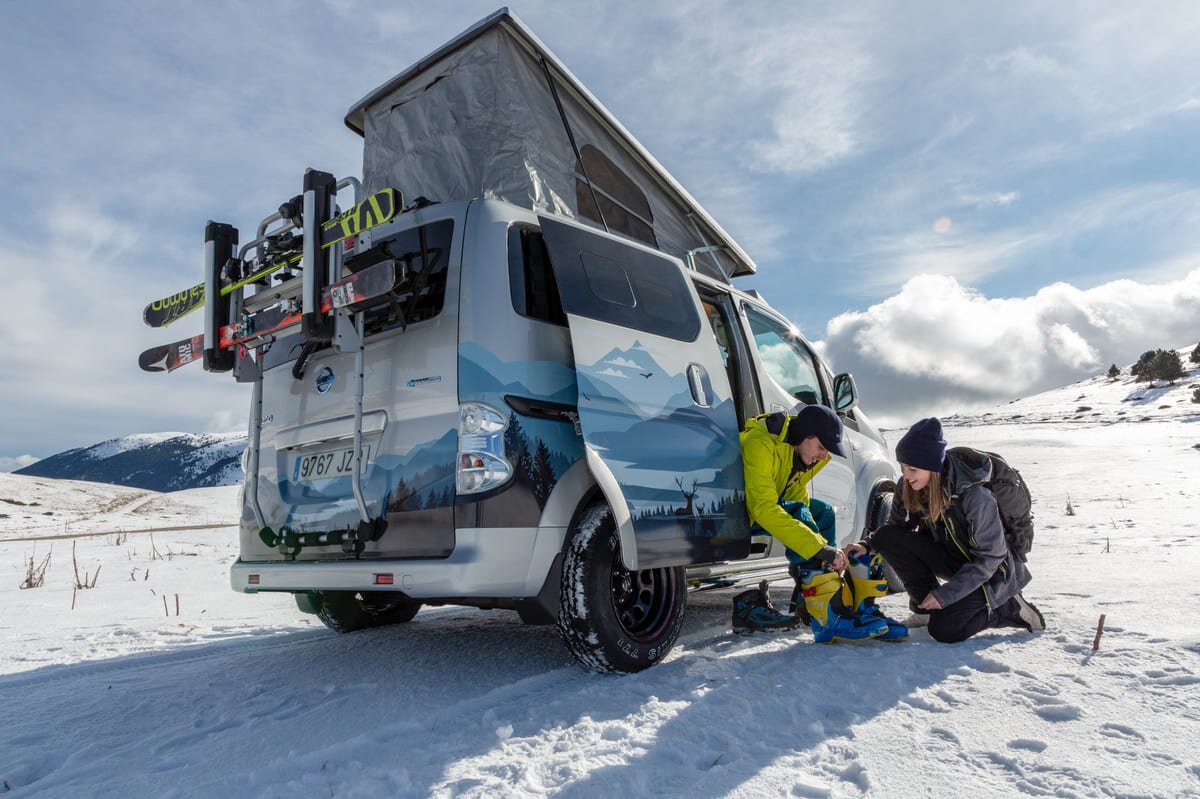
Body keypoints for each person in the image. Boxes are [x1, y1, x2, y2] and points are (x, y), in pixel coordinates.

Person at [848, 417, 1045, 643]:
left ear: (933, 467)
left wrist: (946, 595)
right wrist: (867, 546)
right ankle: (925, 610)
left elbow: (991, 557)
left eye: (913, 468)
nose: (906, 475)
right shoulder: (910, 485)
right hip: (955, 560)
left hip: (992, 572)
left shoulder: (975, 496)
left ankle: (1007, 608)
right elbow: (895, 528)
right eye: (902, 467)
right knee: (887, 537)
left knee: (944, 630)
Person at [731, 404, 907, 642]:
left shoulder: (797, 456)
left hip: (760, 509)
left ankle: (817, 601)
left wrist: (827, 553)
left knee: (822, 512)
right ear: (805, 435)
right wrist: (821, 550)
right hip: (736, 512)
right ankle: (828, 613)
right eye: (822, 447)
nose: (825, 455)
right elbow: (763, 508)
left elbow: (798, 503)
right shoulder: (760, 444)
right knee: (801, 516)